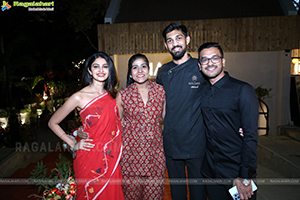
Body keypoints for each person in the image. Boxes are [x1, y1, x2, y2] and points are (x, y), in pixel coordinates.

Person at [48, 52, 125, 200]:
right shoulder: (79, 97)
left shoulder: (110, 96)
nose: (101, 70)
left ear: (110, 70)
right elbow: (53, 122)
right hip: (89, 157)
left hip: (110, 157)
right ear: (89, 70)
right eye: (96, 66)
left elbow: (113, 124)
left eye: (105, 66)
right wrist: (73, 143)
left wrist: (80, 130)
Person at [198, 42, 258, 200]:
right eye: (205, 60)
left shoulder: (242, 90)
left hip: (236, 174)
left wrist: (244, 176)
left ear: (223, 61)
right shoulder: (201, 92)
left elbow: (251, 136)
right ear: (199, 65)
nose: (210, 63)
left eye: (214, 58)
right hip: (211, 173)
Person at [156, 23, 207, 200]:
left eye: (178, 38)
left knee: (198, 193)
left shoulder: (200, 67)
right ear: (166, 45)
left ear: (187, 39)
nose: (175, 43)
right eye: (170, 40)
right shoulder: (163, 71)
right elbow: (159, 104)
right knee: (177, 193)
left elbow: (219, 95)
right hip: (171, 143)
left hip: (197, 142)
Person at [116, 53, 166, 200]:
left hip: (155, 158)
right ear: (130, 72)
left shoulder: (160, 91)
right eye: (135, 67)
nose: (140, 71)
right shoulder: (123, 95)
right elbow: (113, 125)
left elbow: (169, 121)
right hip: (130, 159)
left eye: (143, 66)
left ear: (148, 69)